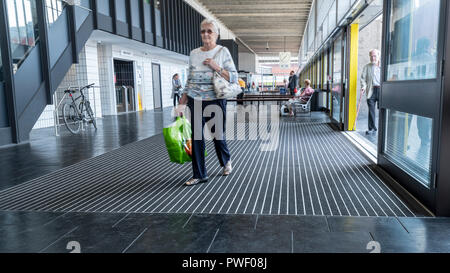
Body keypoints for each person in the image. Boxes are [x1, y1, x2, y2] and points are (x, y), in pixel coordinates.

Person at [176, 18, 237, 186]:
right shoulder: (194, 53)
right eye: (203, 31)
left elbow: (233, 77)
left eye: (209, 31)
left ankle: (226, 161)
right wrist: (182, 101)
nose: (206, 34)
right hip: (195, 100)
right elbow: (190, 78)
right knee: (197, 138)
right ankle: (199, 174)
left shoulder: (223, 51)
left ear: (216, 34)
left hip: (215, 100)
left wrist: (216, 66)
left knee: (217, 135)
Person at [361, 49, 381, 135]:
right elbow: (363, 78)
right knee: (371, 110)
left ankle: (383, 128)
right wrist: (363, 86)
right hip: (371, 90)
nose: (373, 58)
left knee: (382, 110)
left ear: (378, 56)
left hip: (382, 90)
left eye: (375, 56)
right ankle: (372, 128)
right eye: (371, 56)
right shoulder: (367, 67)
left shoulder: (383, 66)